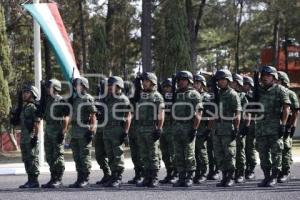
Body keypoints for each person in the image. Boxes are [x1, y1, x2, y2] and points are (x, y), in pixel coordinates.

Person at [256, 66, 290, 187]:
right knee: (263, 154)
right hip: (260, 128)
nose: (264, 78)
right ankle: (266, 176)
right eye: (263, 76)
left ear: (274, 77)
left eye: (268, 76)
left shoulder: (280, 90)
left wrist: (284, 125)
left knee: (276, 154)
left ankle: (274, 177)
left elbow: (286, 108)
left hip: (275, 127)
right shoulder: (258, 90)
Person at [172, 71, 203, 187]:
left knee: (189, 154)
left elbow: (198, 113)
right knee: (178, 154)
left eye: (183, 80)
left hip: (188, 127)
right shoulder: (177, 94)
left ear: (189, 81)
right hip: (177, 128)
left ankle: (190, 177)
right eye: (179, 80)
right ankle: (181, 176)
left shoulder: (194, 94)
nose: (181, 82)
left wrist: (194, 128)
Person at [136, 72, 165, 187]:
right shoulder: (143, 96)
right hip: (142, 129)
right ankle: (147, 177)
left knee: (153, 154)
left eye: (147, 81)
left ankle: (154, 177)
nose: (144, 83)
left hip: (151, 128)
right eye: (143, 81)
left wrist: (159, 128)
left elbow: (161, 113)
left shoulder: (157, 96)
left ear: (153, 82)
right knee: (144, 154)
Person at [213, 69, 241, 187]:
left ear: (228, 80)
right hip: (218, 128)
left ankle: (230, 177)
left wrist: (236, 127)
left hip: (228, 127)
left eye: (223, 80)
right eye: (219, 80)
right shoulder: (217, 94)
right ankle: (224, 176)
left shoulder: (232, 94)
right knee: (219, 154)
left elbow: (237, 113)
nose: (220, 82)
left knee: (229, 153)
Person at [102, 76, 132, 187]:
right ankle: (113, 175)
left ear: (119, 86)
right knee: (110, 154)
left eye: (111, 86)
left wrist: (125, 132)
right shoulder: (108, 98)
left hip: (117, 129)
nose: (109, 88)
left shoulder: (123, 99)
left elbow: (128, 116)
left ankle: (118, 177)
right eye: (108, 86)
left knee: (118, 155)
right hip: (107, 129)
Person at [69, 77, 97, 188]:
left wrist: (91, 130)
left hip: (84, 129)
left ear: (84, 86)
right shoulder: (75, 99)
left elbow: (93, 115)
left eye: (78, 85)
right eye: (75, 85)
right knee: (76, 156)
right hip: (75, 130)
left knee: (84, 155)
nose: (76, 87)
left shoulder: (87, 98)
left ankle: (85, 178)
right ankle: (79, 177)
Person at [41, 79, 69, 188]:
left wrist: (63, 131)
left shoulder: (60, 100)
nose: (47, 89)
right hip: (48, 130)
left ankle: (59, 178)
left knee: (58, 155)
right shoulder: (47, 100)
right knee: (49, 155)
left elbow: (66, 117)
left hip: (57, 129)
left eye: (49, 87)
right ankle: (53, 177)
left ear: (56, 88)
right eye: (47, 87)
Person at [277, 71, 299, 183]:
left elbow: (295, 112)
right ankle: (278, 170)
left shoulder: (290, 94)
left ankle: (286, 171)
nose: (276, 81)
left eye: (278, 80)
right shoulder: (274, 93)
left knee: (285, 147)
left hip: (287, 124)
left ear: (284, 81)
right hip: (276, 125)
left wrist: (290, 126)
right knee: (277, 148)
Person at [19, 84, 41, 188]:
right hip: (24, 138)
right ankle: (30, 179)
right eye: (23, 92)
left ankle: (34, 181)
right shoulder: (24, 107)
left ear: (32, 94)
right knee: (26, 159)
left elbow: (37, 123)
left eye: (26, 92)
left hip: (31, 137)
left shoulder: (33, 107)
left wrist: (35, 137)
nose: (24, 94)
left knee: (32, 159)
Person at [231, 74, 251, 183]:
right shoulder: (226, 94)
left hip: (240, 126)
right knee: (230, 151)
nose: (231, 83)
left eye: (233, 82)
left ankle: (240, 173)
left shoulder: (242, 96)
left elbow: (247, 112)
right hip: (228, 126)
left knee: (239, 151)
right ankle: (231, 172)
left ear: (238, 83)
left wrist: (247, 126)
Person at [193, 74, 211, 184]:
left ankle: (203, 173)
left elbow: (211, 114)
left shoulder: (207, 97)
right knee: (193, 152)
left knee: (201, 151)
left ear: (202, 85)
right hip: (192, 126)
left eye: (197, 83)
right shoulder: (191, 96)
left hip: (203, 127)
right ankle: (197, 172)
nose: (195, 85)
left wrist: (208, 129)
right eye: (194, 83)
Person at [159, 78, 178, 184]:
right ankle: (169, 172)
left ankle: (176, 173)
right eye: (165, 87)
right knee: (165, 153)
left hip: (173, 128)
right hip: (163, 128)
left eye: (169, 87)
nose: (167, 89)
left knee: (173, 153)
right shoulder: (161, 98)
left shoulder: (177, 97)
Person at [242, 75, 257, 180]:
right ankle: (243, 169)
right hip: (242, 123)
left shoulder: (252, 96)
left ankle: (251, 169)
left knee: (250, 147)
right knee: (242, 148)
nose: (243, 86)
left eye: (246, 84)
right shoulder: (240, 95)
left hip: (252, 124)